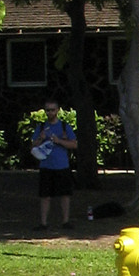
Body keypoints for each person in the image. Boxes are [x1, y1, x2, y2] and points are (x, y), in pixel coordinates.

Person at [31, 93, 77, 229]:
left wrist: (59, 141)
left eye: (52, 110)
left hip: (62, 165)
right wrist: (40, 138)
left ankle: (65, 221)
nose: (50, 113)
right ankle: (43, 223)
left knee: (65, 195)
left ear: (57, 110)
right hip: (46, 166)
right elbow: (33, 146)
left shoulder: (64, 127)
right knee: (45, 196)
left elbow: (74, 144)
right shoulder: (41, 127)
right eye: (47, 110)